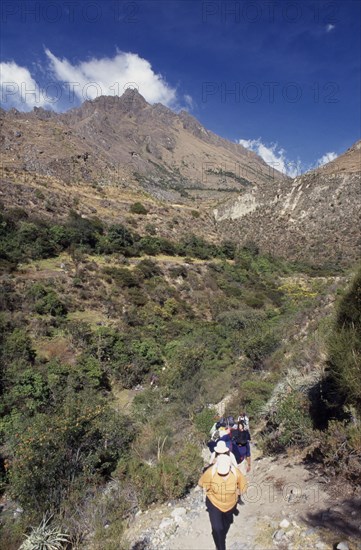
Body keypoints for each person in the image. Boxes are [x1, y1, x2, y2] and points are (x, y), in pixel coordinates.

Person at [198, 454, 247, 550]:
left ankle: (221, 533)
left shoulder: (236, 472)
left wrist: (239, 492)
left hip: (230, 504)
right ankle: (220, 546)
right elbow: (201, 483)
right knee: (217, 528)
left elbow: (243, 486)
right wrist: (208, 489)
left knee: (225, 524)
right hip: (214, 503)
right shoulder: (210, 472)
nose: (223, 474)